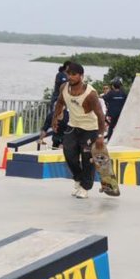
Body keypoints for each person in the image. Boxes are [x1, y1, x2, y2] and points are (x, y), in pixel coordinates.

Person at [40, 62, 106, 199]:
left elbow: (100, 115)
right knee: (69, 154)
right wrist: (55, 119)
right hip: (73, 126)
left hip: (90, 129)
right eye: (68, 74)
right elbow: (59, 103)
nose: (70, 77)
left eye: (73, 75)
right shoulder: (64, 87)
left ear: (81, 76)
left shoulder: (90, 94)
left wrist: (100, 136)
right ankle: (78, 178)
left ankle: (85, 187)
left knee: (87, 159)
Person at [41, 61, 71, 149]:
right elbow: (62, 86)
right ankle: (56, 140)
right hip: (57, 99)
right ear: (67, 67)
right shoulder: (61, 75)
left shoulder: (69, 77)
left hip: (65, 102)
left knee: (64, 121)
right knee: (54, 118)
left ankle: (62, 141)